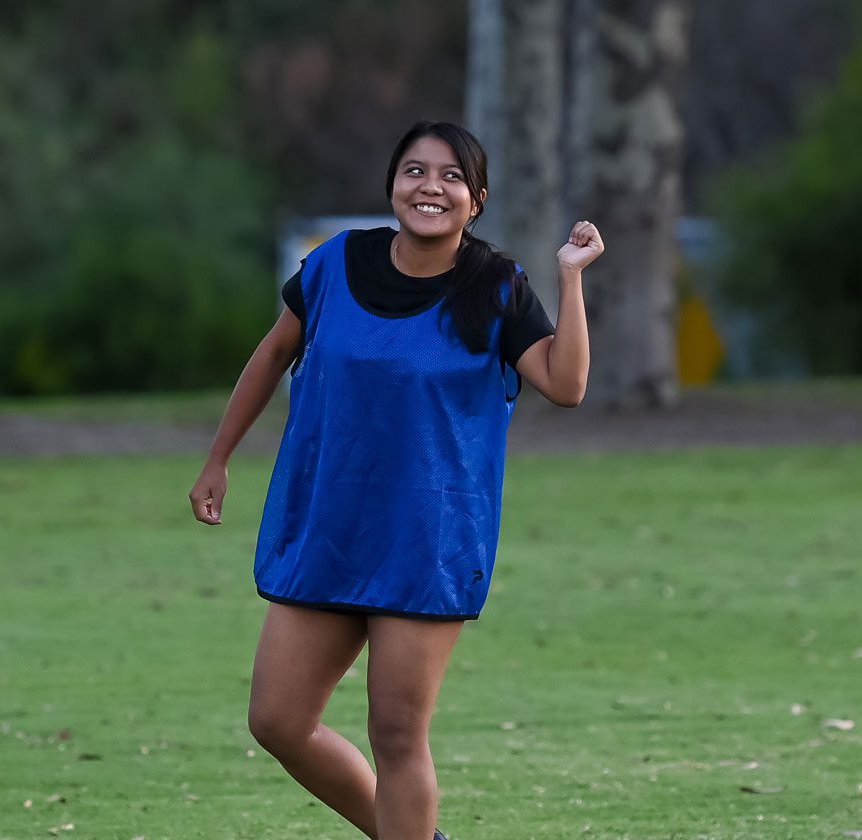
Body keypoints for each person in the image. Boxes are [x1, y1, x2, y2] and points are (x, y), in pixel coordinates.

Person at [188, 120, 603, 840]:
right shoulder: (333, 265)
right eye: (414, 170)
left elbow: (565, 385)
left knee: (398, 735)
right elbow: (270, 356)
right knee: (279, 719)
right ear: (391, 185)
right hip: (329, 527)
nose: (429, 187)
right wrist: (219, 456)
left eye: (449, 177)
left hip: (426, 542)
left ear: (476, 200)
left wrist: (568, 277)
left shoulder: (496, 289)